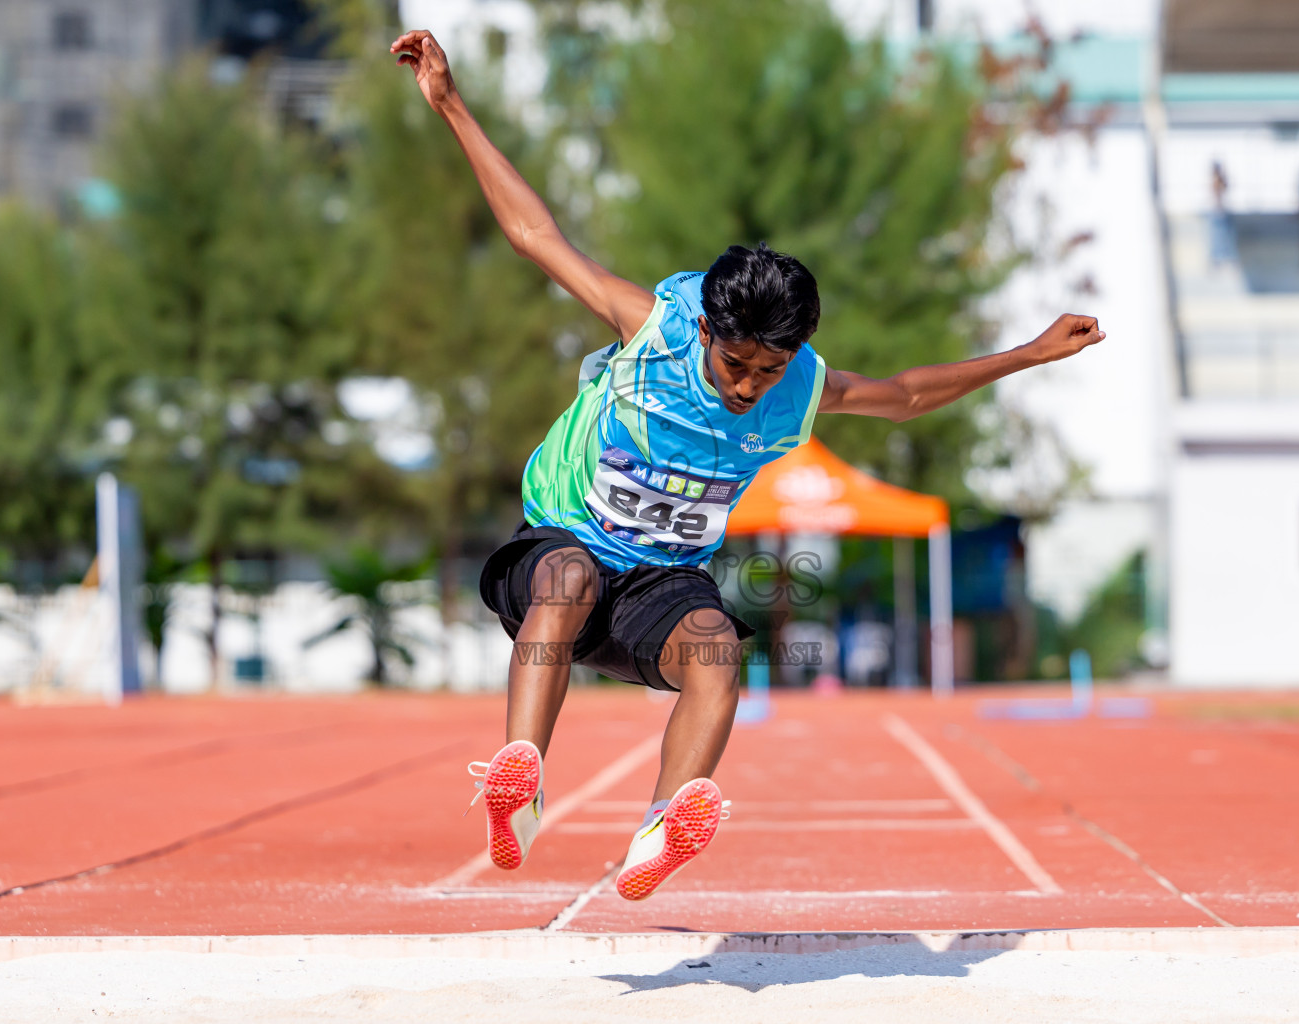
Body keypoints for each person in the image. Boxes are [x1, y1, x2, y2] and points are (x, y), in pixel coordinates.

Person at [392, 29, 1105, 901]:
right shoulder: (649, 328)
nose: (749, 387)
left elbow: (906, 394)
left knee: (719, 651)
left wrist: (1026, 356)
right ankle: (523, 778)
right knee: (568, 579)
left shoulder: (794, 386)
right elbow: (535, 234)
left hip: (661, 580)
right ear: (704, 334)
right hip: (561, 545)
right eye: (736, 366)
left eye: (769, 371)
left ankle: (660, 829)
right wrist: (452, 105)